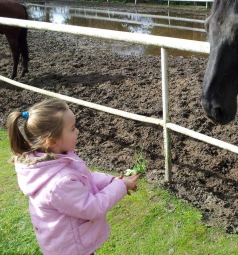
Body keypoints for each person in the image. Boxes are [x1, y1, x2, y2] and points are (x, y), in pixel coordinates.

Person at [7, 99, 140, 255]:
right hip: (71, 249)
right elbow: (92, 208)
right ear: (51, 141)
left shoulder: (53, 159)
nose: (77, 131)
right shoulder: (58, 183)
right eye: (72, 129)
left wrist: (111, 181)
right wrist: (121, 186)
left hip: (68, 242)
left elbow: (84, 177)